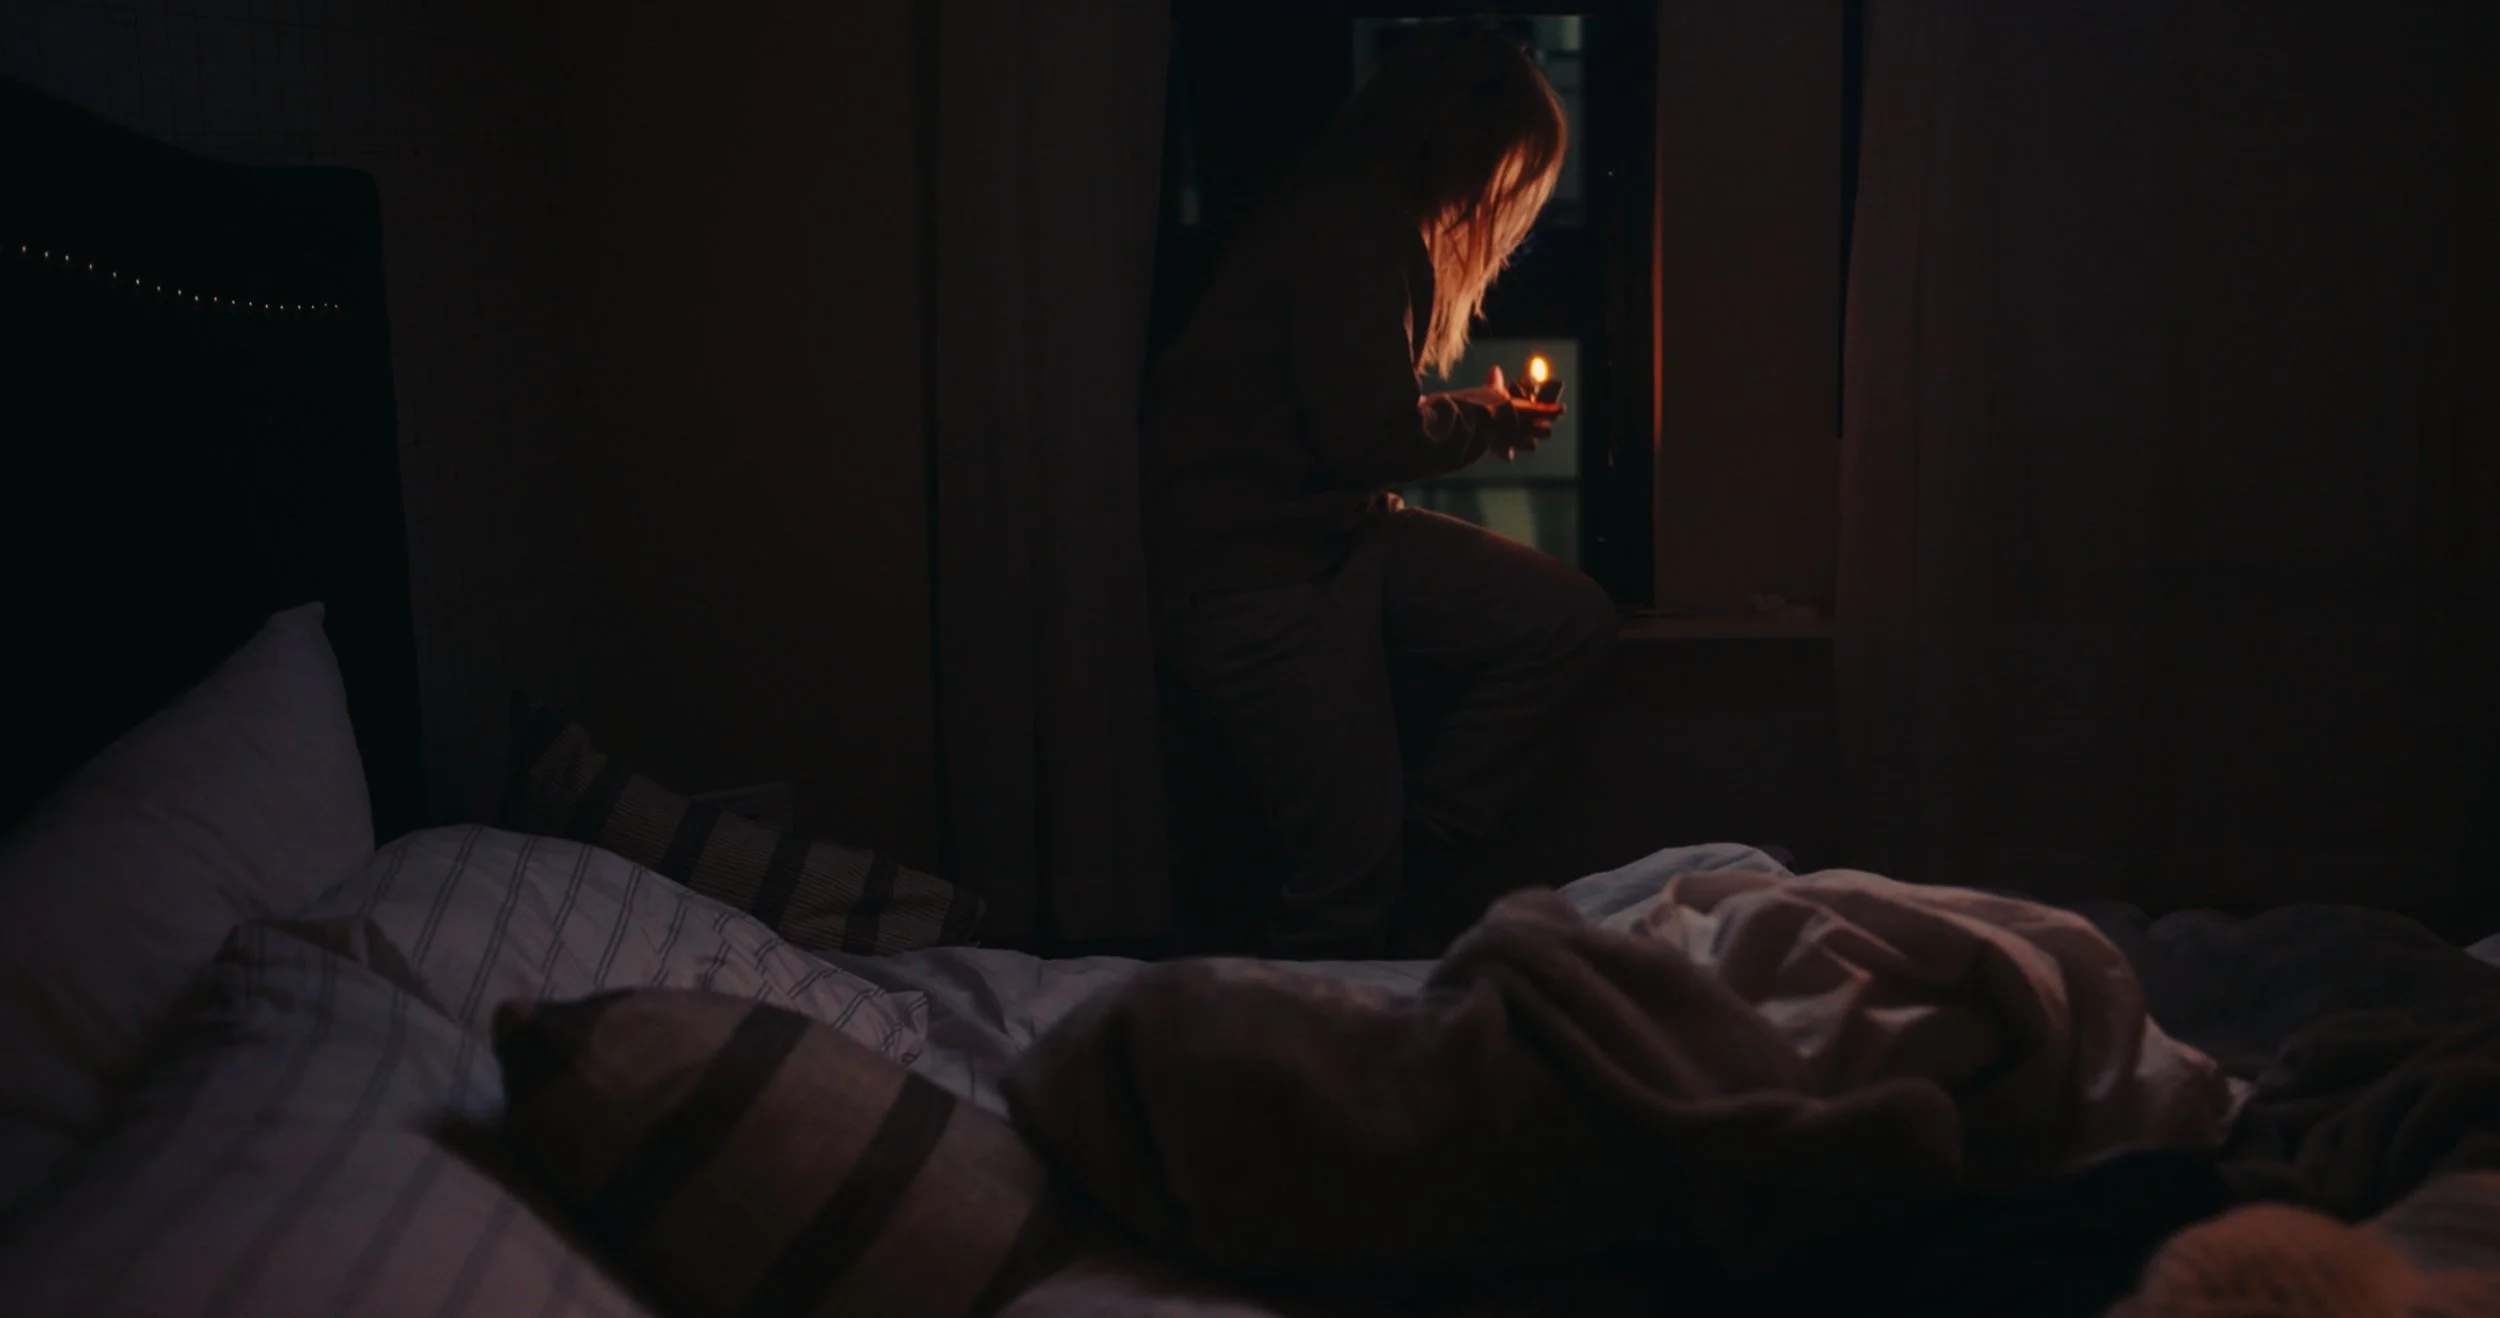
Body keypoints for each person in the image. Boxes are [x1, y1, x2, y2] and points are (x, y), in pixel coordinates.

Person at [1143, 21, 1618, 959]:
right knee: (1344, 883)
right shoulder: (1353, 226)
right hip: (1259, 578)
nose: (1496, 196)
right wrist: (1483, 419)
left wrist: (1472, 410)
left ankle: (1418, 846)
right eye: (1503, 167)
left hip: (1336, 536)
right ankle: (1299, 1054)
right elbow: (1368, 436)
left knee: (1564, 620)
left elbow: (1349, 421)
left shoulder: (1350, 216)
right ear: (1455, 136)